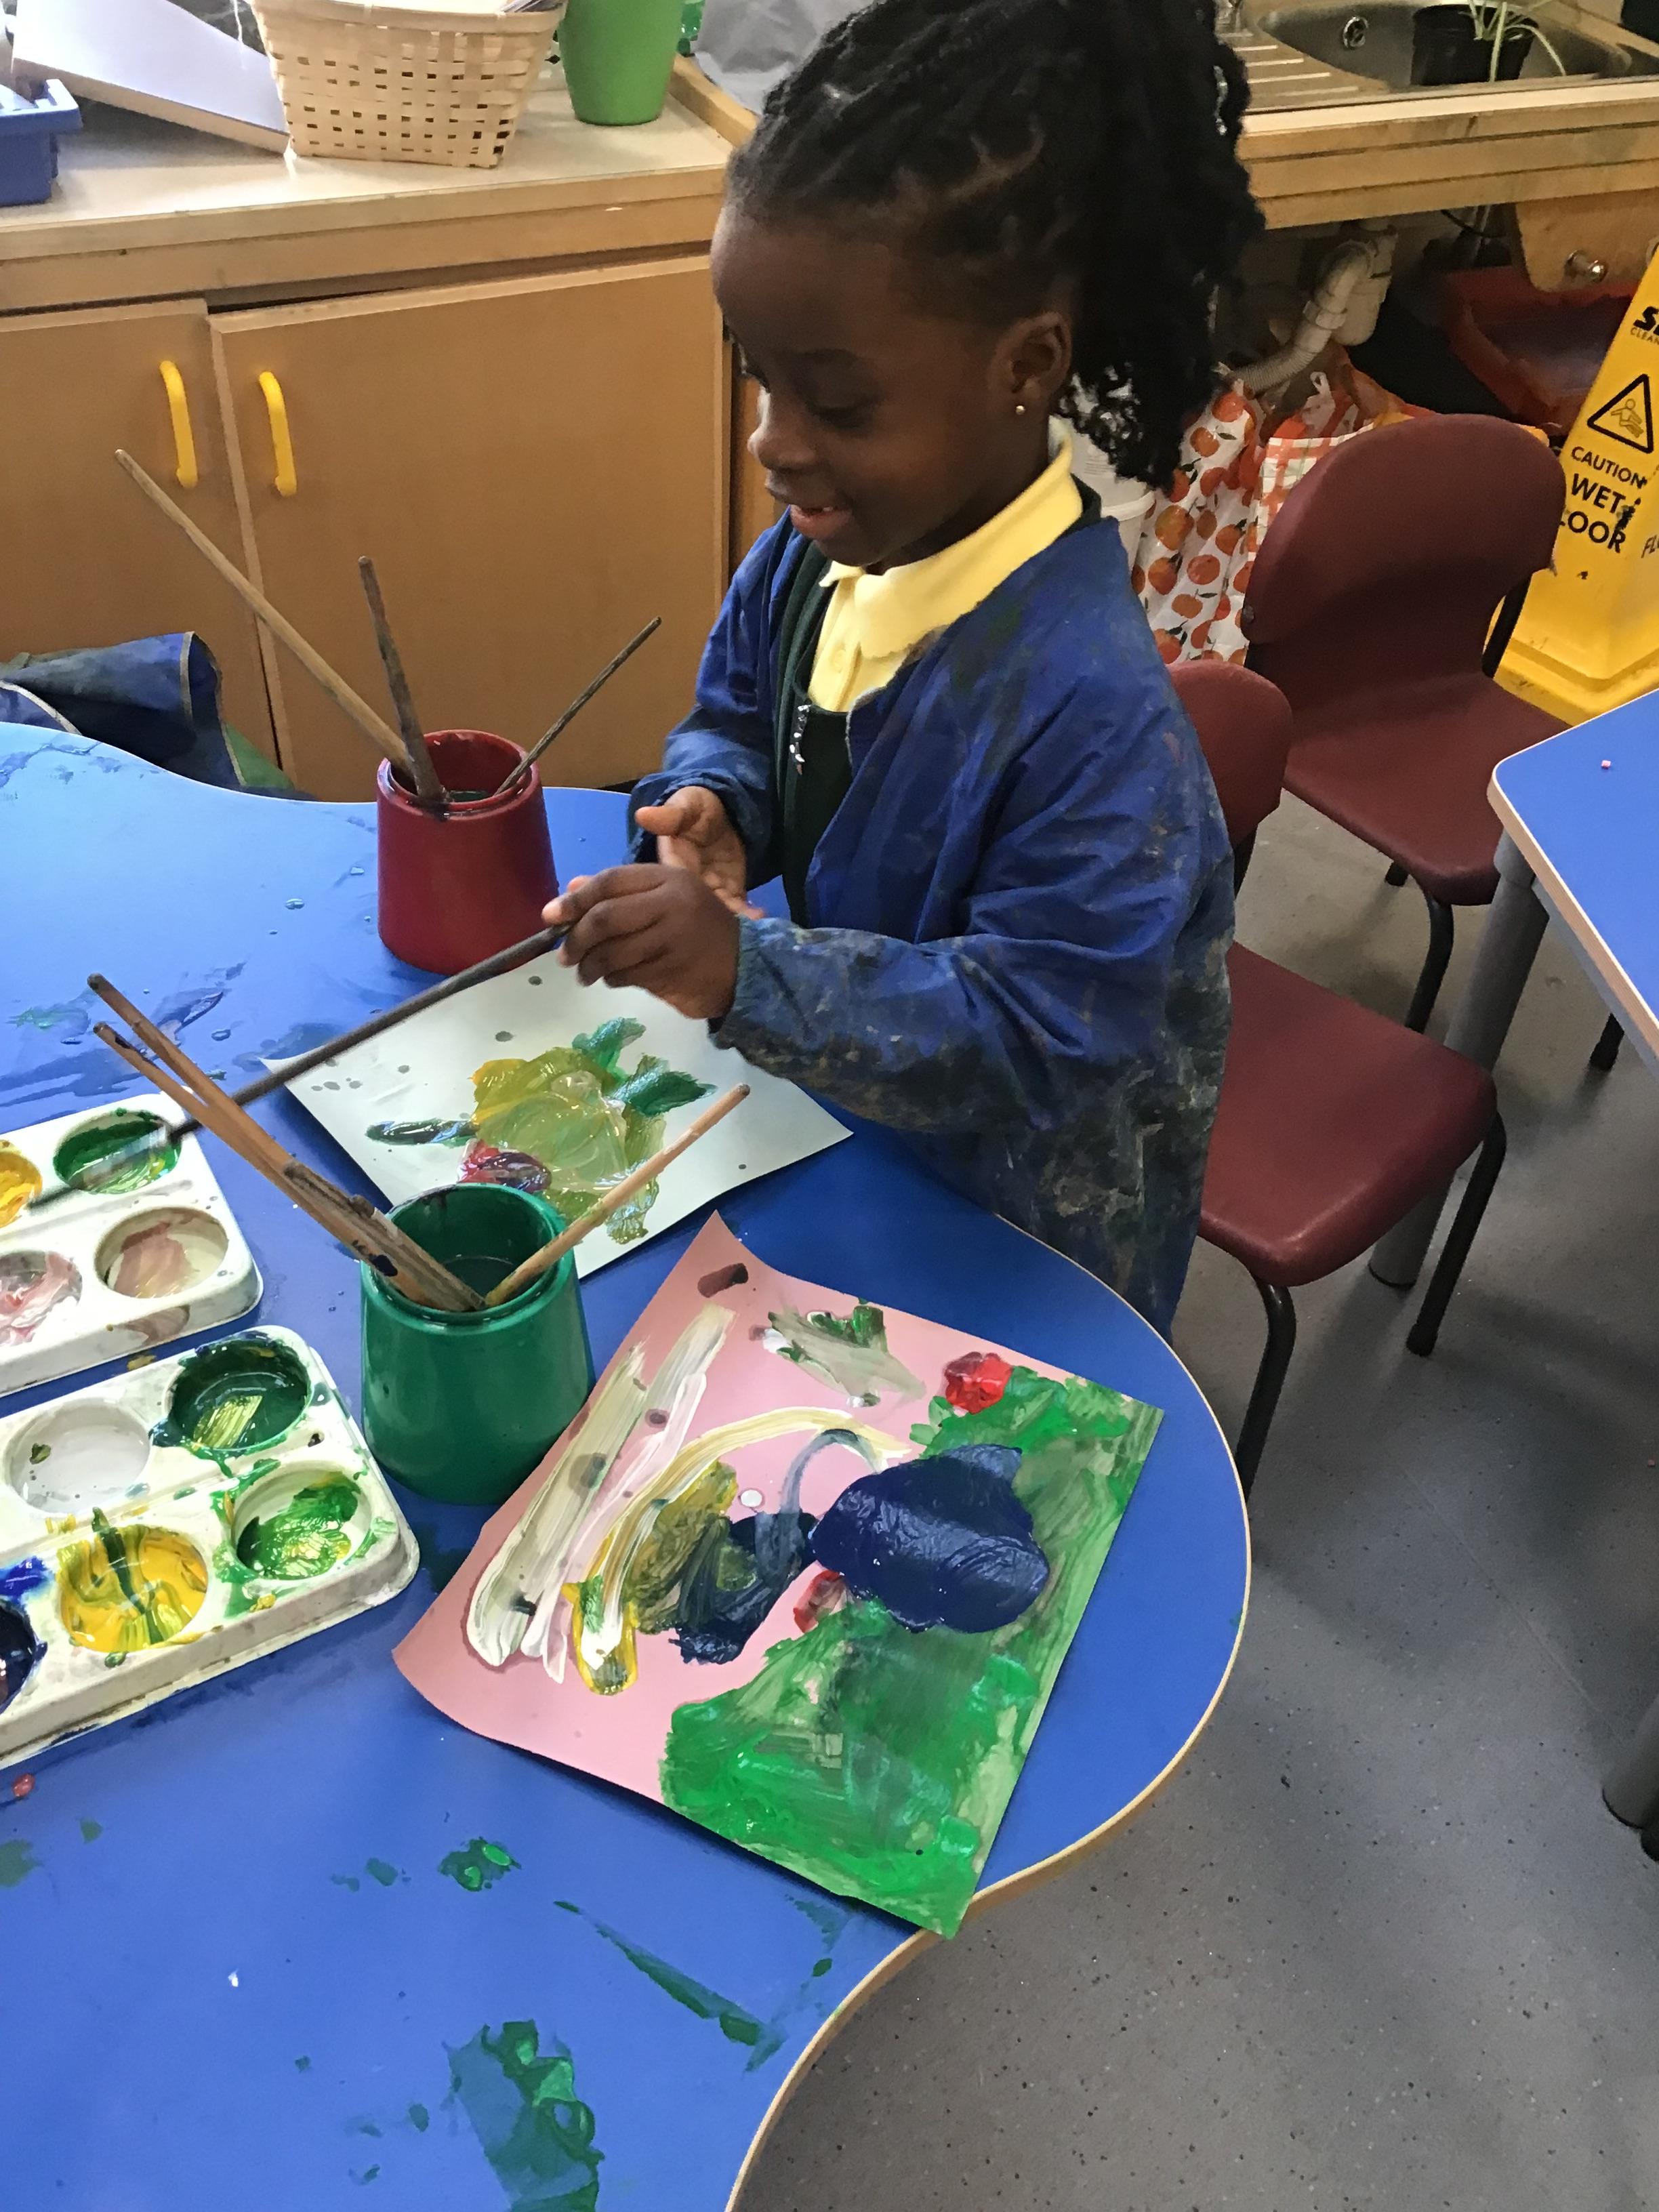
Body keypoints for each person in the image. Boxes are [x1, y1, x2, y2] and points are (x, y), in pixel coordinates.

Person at [546, 0, 1261, 1332]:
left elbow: (1042, 1032)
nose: (772, 442)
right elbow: (735, 714)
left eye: (837, 402)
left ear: (1026, 364)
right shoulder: (812, 559)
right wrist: (719, 803)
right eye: (761, 381)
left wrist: (746, 973)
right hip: (856, 1144)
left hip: (1021, 1243)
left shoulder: (1094, 719)